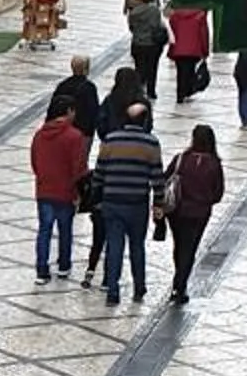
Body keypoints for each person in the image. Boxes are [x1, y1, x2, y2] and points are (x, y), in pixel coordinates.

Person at [96, 98, 165, 305]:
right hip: (137, 203)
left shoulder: (110, 140)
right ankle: (139, 287)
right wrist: (159, 202)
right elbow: (157, 177)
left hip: (112, 202)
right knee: (137, 246)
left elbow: (99, 173)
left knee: (114, 246)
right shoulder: (151, 143)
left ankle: (112, 291)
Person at [30, 93, 89, 282]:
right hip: (66, 191)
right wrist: (79, 191)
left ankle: (41, 270)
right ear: (69, 111)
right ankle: (64, 265)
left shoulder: (40, 135)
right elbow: (78, 167)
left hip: (44, 189)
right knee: (65, 229)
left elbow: (35, 162)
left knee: (44, 230)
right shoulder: (74, 136)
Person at [167, 123, 225, 303]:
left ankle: (179, 280)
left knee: (179, 245)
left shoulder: (181, 159)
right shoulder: (214, 164)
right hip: (199, 213)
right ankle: (180, 285)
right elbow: (218, 193)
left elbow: (165, 178)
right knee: (190, 248)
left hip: (177, 211)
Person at [126, 0, 169, 101]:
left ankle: (139, 89)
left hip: (137, 43)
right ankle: (151, 91)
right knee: (152, 68)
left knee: (139, 68)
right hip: (151, 44)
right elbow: (156, 26)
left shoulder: (134, 12)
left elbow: (131, 27)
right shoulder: (154, 10)